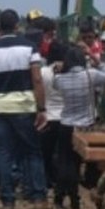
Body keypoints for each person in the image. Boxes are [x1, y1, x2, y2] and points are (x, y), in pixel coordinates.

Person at [0, 9, 48, 209]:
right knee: (32, 151)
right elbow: (37, 79)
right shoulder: (29, 47)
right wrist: (41, 108)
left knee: (4, 154)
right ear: (17, 26)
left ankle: (7, 201)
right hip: (24, 105)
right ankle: (38, 198)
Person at [53, 45, 105, 209]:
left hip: (66, 125)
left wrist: (59, 69)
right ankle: (84, 197)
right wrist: (94, 57)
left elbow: (55, 79)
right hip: (86, 127)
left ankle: (68, 200)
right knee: (84, 163)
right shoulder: (90, 75)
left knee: (67, 164)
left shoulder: (59, 80)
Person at [38, 40, 67, 190]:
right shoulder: (70, 72)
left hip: (48, 116)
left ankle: (47, 180)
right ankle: (60, 180)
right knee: (62, 152)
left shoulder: (43, 72)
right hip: (65, 117)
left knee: (46, 152)